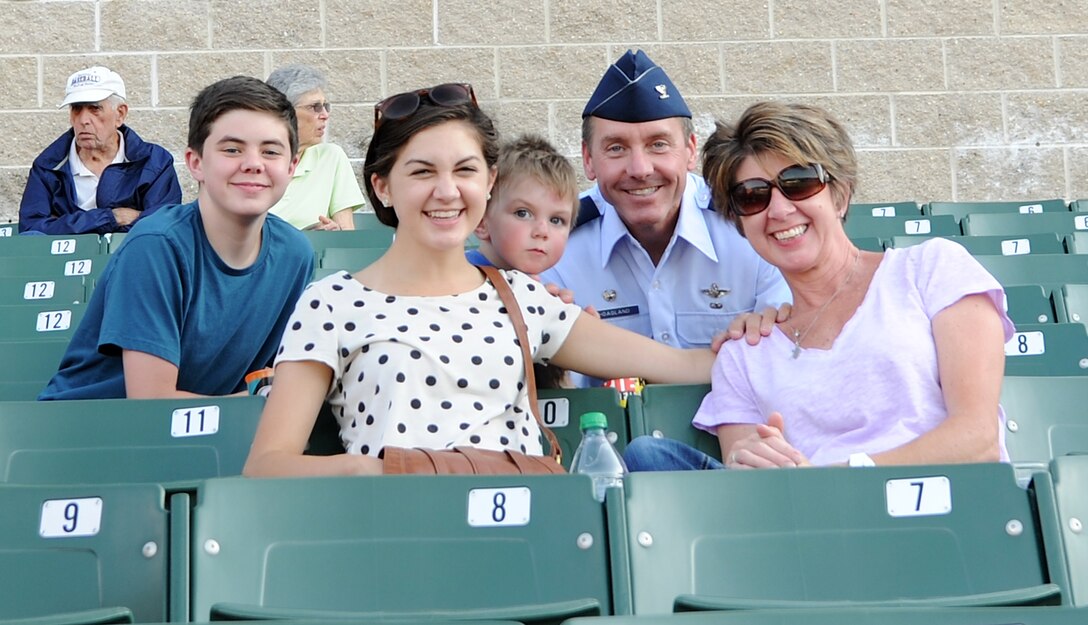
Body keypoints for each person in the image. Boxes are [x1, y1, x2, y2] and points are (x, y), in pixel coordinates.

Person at [243, 83, 714, 477]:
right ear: (382, 186)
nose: (447, 191)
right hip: (402, 530)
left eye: (465, 170)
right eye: (422, 171)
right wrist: (382, 469)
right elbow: (267, 466)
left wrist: (768, 329)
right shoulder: (332, 302)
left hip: (528, 530)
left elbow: (681, 365)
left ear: (489, 180)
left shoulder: (523, 298)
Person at [623, 101, 1012, 471]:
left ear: (840, 194)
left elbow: (978, 439)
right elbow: (747, 484)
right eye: (752, 196)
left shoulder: (931, 269)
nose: (778, 209)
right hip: (809, 524)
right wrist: (755, 464)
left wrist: (841, 478)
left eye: (798, 183)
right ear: (740, 223)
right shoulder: (744, 355)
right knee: (647, 455)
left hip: (942, 511)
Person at [39, 76, 314, 400]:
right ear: (195, 163)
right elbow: (153, 403)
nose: (253, 164)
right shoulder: (155, 246)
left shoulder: (296, 254)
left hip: (206, 436)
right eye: (232, 149)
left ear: (292, 166)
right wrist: (258, 402)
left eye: (270, 151)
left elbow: (276, 378)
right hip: (92, 433)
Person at [540, 50, 791, 382]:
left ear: (689, 150)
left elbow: (786, 361)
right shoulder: (555, 245)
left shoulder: (747, 223)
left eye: (658, 144)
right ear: (588, 159)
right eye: (616, 148)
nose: (640, 169)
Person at [19, 66, 182, 235]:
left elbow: (163, 226)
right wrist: (111, 217)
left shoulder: (154, 161)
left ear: (120, 114)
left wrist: (66, 225)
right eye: (76, 109)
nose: (83, 120)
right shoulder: (49, 166)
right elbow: (32, 230)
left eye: (94, 109)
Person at [266, 64, 365, 231]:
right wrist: (300, 238)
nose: (325, 115)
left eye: (326, 106)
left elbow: (347, 233)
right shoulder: (255, 162)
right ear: (284, 112)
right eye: (315, 107)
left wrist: (334, 232)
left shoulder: (331, 157)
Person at [466, 134, 578, 275]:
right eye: (523, 213)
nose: (542, 232)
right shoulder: (456, 283)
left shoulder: (547, 290)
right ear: (481, 221)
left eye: (556, 220)